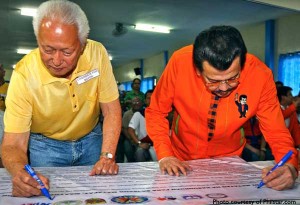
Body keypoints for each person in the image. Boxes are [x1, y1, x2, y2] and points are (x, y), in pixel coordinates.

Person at [145, 25, 298, 190]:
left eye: (233, 78)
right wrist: (165, 154)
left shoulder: (260, 75)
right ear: (198, 70)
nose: (224, 88)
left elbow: (276, 130)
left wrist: (290, 165)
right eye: (213, 81)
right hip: (180, 157)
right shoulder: (180, 63)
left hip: (229, 160)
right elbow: (156, 112)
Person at [1, 0, 121, 198]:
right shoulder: (24, 74)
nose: (56, 61)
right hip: (46, 147)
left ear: (82, 46)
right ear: (38, 40)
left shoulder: (97, 54)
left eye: (67, 52)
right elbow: (13, 143)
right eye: (47, 50)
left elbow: (111, 110)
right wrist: (21, 174)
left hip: (92, 139)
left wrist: (107, 155)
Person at [128, 90, 157, 162]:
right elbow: (130, 130)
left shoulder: (162, 113)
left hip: (159, 144)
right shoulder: (139, 114)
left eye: (153, 98)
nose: (151, 100)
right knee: (139, 152)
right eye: (148, 98)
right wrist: (139, 143)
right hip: (146, 144)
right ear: (145, 101)